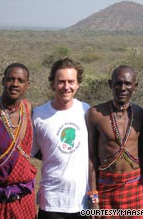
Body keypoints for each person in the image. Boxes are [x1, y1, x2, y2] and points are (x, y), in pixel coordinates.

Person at [86, 65, 143, 219]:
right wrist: (94, 199)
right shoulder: (95, 114)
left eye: (128, 84)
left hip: (134, 185)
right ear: (111, 84)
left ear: (135, 87)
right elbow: (92, 158)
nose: (122, 88)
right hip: (106, 186)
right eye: (118, 83)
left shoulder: (141, 113)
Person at [32, 57, 90, 219]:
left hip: (82, 201)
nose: (66, 87)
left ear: (78, 84)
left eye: (71, 82)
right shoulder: (38, 115)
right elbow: (32, 151)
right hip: (51, 201)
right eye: (61, 81)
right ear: (52, 83)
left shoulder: (86, 111)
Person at [0, 63, 37, 219]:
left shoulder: (27, 108)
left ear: (27, 85)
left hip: (23, 199)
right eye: (10, 79)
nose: (15, 84)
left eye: (20, 81)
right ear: (3, 81)